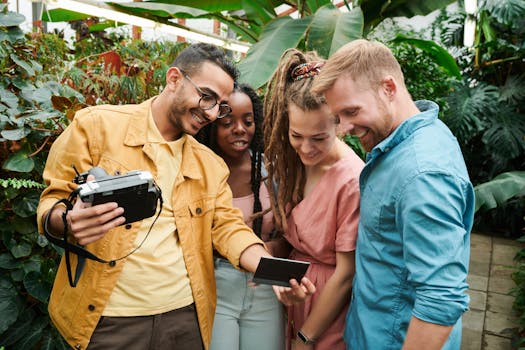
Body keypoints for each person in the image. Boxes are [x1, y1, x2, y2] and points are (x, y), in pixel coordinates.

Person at [37, 43, 315, 350]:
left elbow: (228, 228)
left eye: (219, 105)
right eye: (206, 96)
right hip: (110, 320)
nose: (211, 113)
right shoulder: (96, 127)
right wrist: (68, 221)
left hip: (185, 319)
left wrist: (274, 272)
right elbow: (52, 203)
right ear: (174, 79)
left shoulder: (207, 164)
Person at [311, 39, 474, 350]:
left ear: (388, 87)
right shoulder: (406, 138)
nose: (343, 128)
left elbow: (441, 298)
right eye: (338, 116)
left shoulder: (422, 174)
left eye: (351, 111)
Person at [263, 48, 364, 350]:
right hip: (295, 293)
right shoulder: (294, 164)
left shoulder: (352, 180)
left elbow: (346, 274)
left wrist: (307, 337)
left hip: (327, 309)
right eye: (296, 136)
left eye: (318, 138)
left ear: (339, 124)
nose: (305, 149)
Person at [196, 83, 287, 350]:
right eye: (228, 122)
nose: (240, 129)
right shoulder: (199, 173)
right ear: (211, 125)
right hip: (216, 285)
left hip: (265, 285)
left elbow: (289, 235)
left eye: (248, 121)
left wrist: (266, 250)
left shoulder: (271, 171)